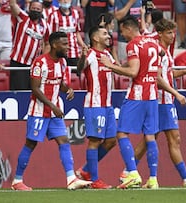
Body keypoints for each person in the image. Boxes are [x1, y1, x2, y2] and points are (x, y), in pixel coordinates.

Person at [120, 19, 186, 188]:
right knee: (154, 138)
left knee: (168, 138)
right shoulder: (157, 51)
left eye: (173, 32)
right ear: (160, 34)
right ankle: (130, 171)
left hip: (165, 100)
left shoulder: (163, 52)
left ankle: (131, 172)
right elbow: (157, 78)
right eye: (169, 33)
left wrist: (183, 72)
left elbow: (166, 74)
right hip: (159, 100)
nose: (173, 36)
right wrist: (176, 93)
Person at [11, 32, 92, 191]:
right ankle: (17, 181)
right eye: (64, 44)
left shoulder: (62, 63)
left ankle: (71, 179)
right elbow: (35, 89)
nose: (67, 47)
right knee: (31, 144)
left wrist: (68, 89)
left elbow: (59, 83)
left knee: (64, 141)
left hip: (54, 113)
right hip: (39, 112)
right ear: (54, 45)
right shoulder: (39, 63)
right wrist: (53, 106)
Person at [100, 15, 161, 189]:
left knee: (122, 133)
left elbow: (134, 72)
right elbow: (160, 54)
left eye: (122, 31)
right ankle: (153, 179)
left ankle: (132, 173)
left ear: (128, 28)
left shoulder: (133, 45)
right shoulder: (151, 43)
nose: (122, 34)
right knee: (150, 136)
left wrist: (110, 65)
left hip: (138, 94)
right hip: (152, 95)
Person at [75, 27, 117, 189]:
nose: (108, 36)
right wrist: (82, 57)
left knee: (111, 140)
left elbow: (119, 67)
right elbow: (79, 70)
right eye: (104, 34)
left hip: (107, 105)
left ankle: (86, 170)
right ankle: (94, 180)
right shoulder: (91, 54)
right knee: (95, 141)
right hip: (95, 104)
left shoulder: (107, 55)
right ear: (95, 38)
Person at [9, 0, 51, 90]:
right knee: (19, 91)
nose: (35, 11)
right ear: (29, 8)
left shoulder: (45, 25)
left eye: (38, 9)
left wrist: (43, 57)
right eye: (33, 8)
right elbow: (12, 4)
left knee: (33, 91)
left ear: (42, 10)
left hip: (34, 65)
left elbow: (47, 43)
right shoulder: (23, 18)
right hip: (18, 62)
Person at [47, 0, 87, 67]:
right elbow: (50, 36)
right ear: (59, 1)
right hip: (60, 52)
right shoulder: (53, 15)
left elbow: (77, 32)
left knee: (75, 75)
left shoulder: (75, 13)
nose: (65, 1)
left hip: (74, 53)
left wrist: (83, 45)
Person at [114, 0, 142, 64]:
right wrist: (130, 2)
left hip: (140, 38)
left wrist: (147, 23)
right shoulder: (119, 1)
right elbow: (118, 16)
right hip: (124, 40)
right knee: (125, 63)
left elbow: (149, 12)